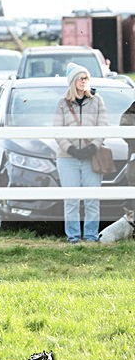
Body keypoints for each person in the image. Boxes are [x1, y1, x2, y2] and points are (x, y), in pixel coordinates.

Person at [54, 63, 108, 243]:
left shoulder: (97, 100)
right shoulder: (62, 103)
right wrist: (70, 149)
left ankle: (91, 236)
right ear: (73, 81)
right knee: (71, 200)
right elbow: (57, 130)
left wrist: (93, 147)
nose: (84, 81)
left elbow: (103, 125)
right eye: (81, 78)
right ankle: (73, 237)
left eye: (86, 78)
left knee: (92, 199)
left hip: (91, 156)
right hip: (67, 157)